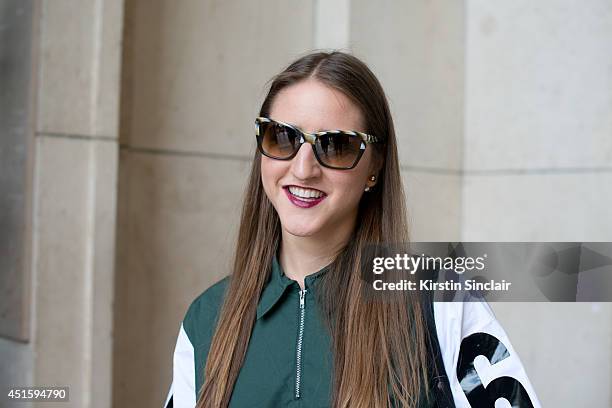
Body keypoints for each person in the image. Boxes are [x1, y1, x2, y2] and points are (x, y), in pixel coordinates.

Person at [163, 51, 541, 408]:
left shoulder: (440, 301)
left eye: (337, 146)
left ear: (374, 166)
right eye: (282, 138)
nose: (303, 168)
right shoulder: (207, 317)